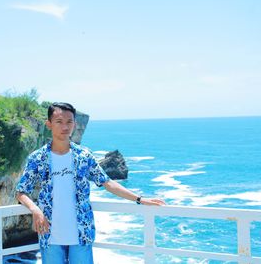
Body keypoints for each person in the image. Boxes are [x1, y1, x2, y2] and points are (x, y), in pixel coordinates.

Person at [16, 102, 165, 264]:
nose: (65, 127)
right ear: (49, 124)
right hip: (49, 234)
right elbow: (21, 191)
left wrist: (139, 199)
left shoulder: (84, 155)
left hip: (81, 232)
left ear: (74, 124)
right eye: (59, 122)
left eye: (69, 122)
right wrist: (35, 209)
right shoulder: (37, 158)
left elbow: (107, 183)